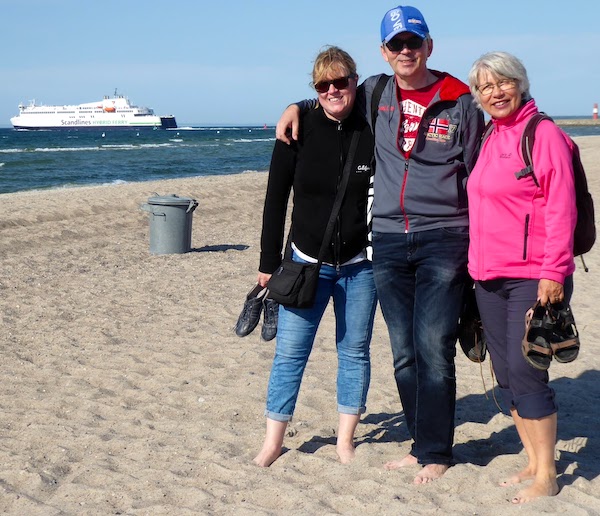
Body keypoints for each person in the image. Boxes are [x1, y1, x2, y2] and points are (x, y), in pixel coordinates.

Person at [275, 6, 485, 483]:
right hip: (387, 240)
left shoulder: (461, 101)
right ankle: (420, 441)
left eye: (413, 42)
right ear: (384, 53)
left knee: (433, 344)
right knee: (403, 351)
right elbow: (334, 95)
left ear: (429, 46)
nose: (405, 51)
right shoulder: (375, 91)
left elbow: (479, 173)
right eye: (396, 45)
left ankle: (436, 451)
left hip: (444, 236)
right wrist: (297, 106)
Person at [253, 46, 377, 467]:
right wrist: (268, 263)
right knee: (290, 353)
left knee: (355, 351)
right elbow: (275, 200)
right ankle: (273, 440)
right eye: (322, 85)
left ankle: (345, 439)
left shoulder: (372, 125)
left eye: (340, 82)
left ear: (354, 82)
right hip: (306, 262)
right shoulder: (297, 128)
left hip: (361, 265)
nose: (332, 91)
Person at [466, 51, 576, 504]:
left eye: (503, 82)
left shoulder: (542, 133)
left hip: (533, 275)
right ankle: (531, 460)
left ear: (520, 83)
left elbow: (561, 206)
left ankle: (547, 474)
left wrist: (554, 271)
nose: (495, 92)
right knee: (507, 374)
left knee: (529, 373)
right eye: (485, 87)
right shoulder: (491, 136)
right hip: (488, 276)